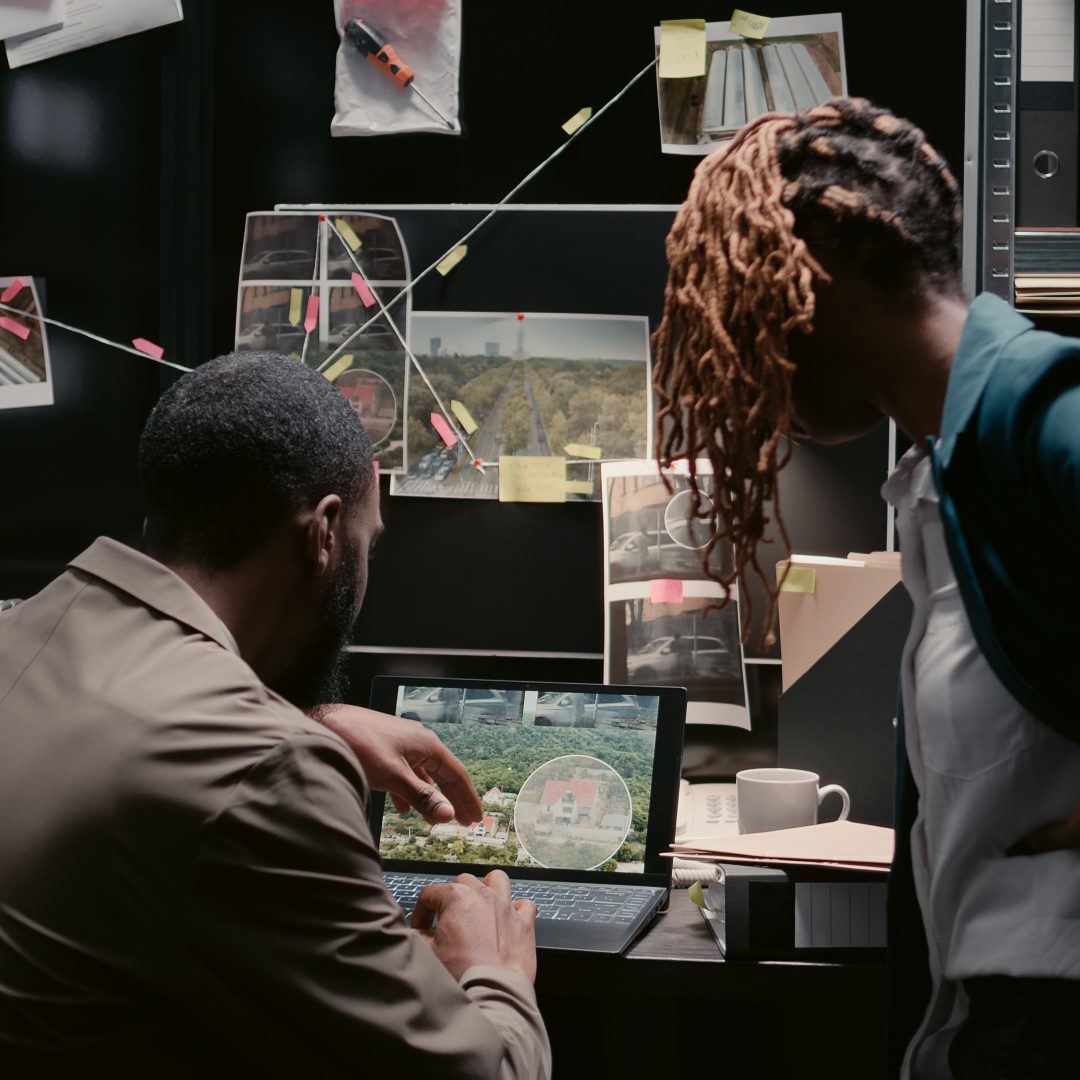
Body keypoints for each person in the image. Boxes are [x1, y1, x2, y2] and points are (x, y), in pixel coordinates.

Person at [651, 97, 1080, 1079]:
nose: (736, 336)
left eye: (744, 286)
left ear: (821, 262)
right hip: (991, 1013)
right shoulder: (946, 471)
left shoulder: (1031, 410)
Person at [0, 352, 550, 1079]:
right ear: (324, 535)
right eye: (368, 541)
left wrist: (309, 717)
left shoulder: (24, 630)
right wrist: (495, 971)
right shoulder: (268, 765)